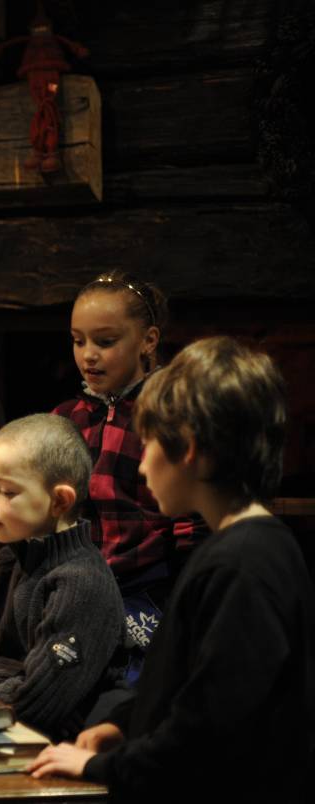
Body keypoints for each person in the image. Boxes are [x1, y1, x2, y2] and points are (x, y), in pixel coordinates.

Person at [28, 337, 315, 802]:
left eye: (150, 444)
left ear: (189, 449)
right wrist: (125, 723)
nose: (141, 467)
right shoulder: (242, 549)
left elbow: (211, 730)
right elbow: (194, 683)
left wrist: (101, 766)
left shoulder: (244, 564)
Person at [54, 271, 203, 677]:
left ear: (148, 340)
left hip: (149, 587)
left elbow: (191, 520)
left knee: (136, 689)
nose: (88, 355)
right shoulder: (68, 418)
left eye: (105, 341)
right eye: (77, 340)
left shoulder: (168, 413)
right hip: (78, 588)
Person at [0, 414, 124, 741]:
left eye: (6, 491)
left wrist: (17, 676)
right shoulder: (6, 562)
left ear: (60, 500)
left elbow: (37, 702)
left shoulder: (82, 584)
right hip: (3, 734)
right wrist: (20, 671)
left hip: (62, 752)